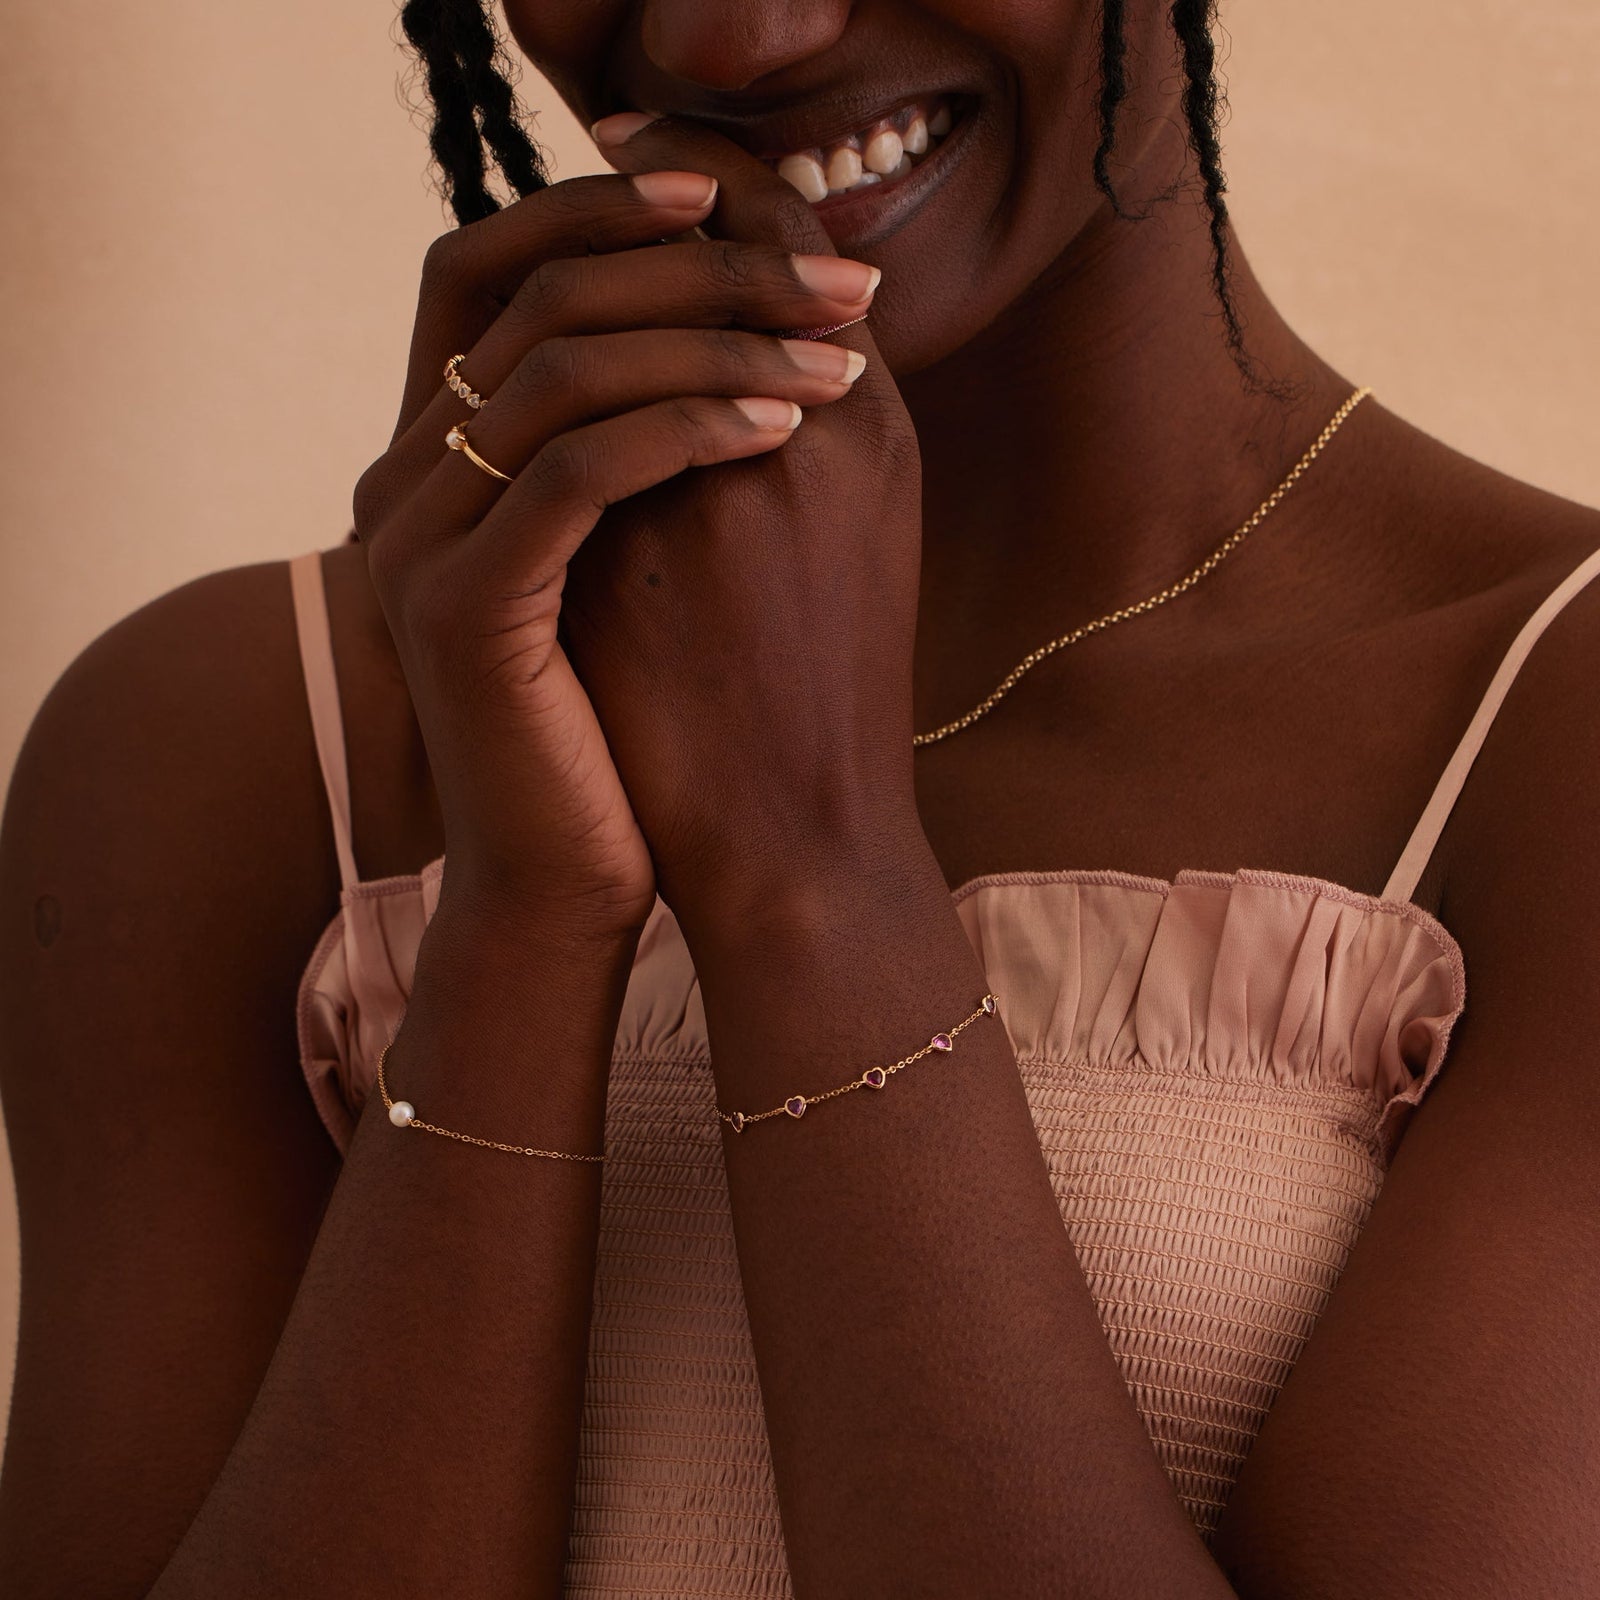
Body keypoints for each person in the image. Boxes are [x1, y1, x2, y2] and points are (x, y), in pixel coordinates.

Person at [2, 1, 1597, 1595]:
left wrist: (810, 879)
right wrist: (526, 921)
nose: (731, 39)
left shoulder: (1544, 732)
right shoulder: (218, 755)